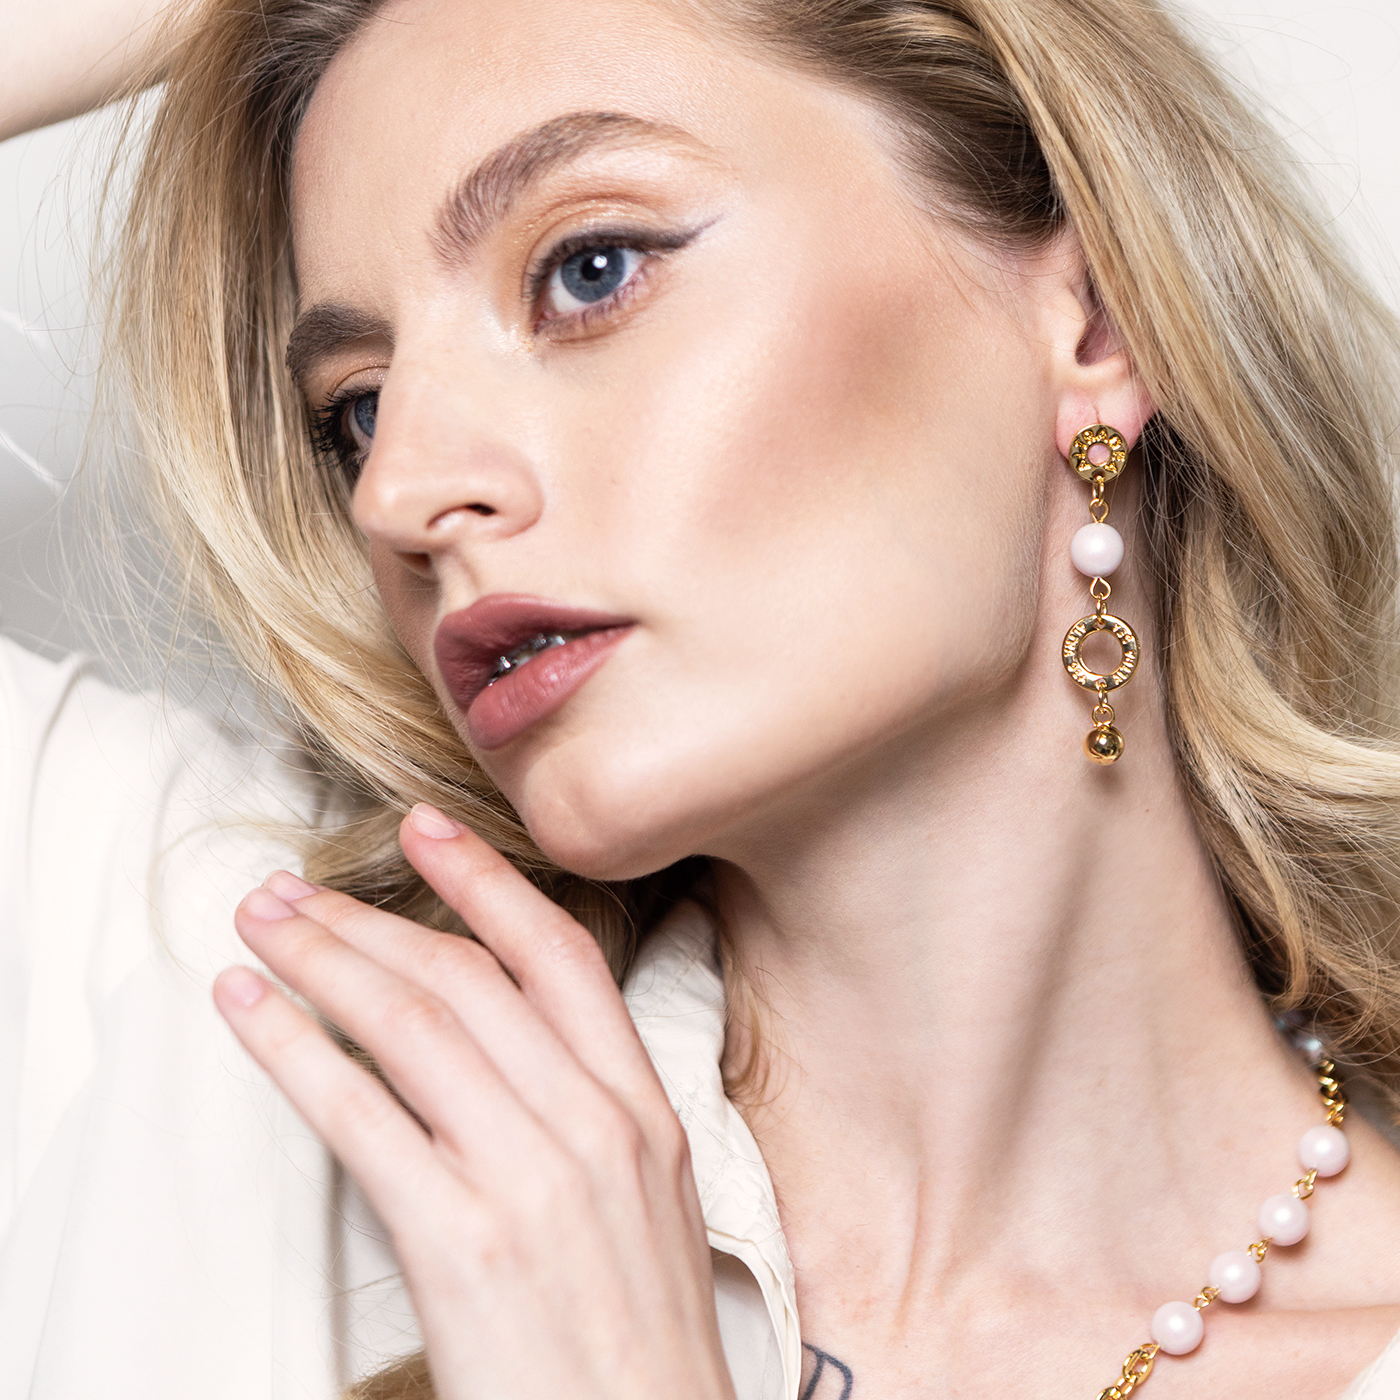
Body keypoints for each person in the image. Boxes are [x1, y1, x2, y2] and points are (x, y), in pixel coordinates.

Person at [3, 0, 1400, 1395]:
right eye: (359, 408)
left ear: (1095, 317)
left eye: (588, 270)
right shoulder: (236, 995)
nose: (401, 492)